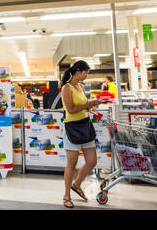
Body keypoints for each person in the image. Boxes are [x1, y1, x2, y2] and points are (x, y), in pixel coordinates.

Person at [60, 60, 107, 208]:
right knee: (71, 163)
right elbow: (72, 109)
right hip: (72, 128)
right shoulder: (66, 88)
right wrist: (91, 103)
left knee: (91, 161)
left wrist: (93, 106)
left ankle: (77, 184)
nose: (86, 75)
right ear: (78, 71)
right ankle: (66, 196)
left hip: (85, 126)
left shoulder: (80, 86)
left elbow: (83, 107)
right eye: (86, 72)